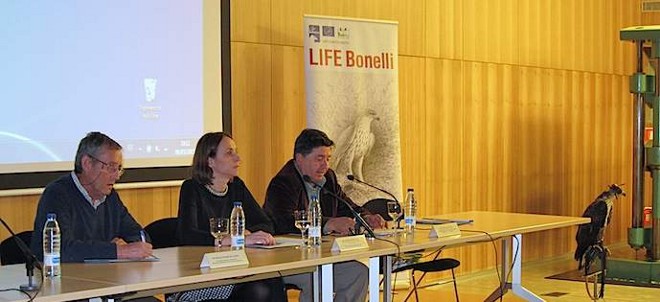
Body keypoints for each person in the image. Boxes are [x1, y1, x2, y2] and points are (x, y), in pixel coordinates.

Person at [263, 128, 386, 302]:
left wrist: (366, 217)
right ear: (299, 158)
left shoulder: (328, 178)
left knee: (359, 273)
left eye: (328, 159)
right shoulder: (283, 183)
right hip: (290, 260)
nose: (325, 165)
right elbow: (282, 222)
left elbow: (346, 206)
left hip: (322, 255)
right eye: (319, 159)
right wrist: (328, 224)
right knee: (319, 279)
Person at [175, 132, 286, 302]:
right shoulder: (191, 188)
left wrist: (248, 233)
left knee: (274, 279)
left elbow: (266, 223)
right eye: (229, 153)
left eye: (236, 151)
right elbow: (187, 235)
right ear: (210, 161)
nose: (237, 158)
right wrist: (233, 239)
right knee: (258, 290)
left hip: (235, 268)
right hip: (202, 276)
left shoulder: (237, 186)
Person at [30, 132, 152, 262]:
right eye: (111, 167)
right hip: (63, 278)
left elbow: (140, 235)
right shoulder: (57, 194)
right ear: (87, 163)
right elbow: (61, 249)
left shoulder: (110, 197)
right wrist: (115, 250)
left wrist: (131, 246)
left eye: (119, 169)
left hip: (104, 277)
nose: (116, 176)